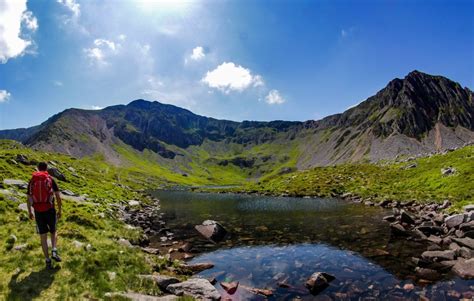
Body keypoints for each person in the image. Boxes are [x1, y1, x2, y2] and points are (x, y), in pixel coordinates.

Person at [26, 162, 63, 268]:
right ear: (46, 168)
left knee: (43, 236)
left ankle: (47, 260)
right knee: (54, 231)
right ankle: (54, 250)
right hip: (50, 209)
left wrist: (30, 211)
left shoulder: (32, 181)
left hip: (38, 211)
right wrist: (59, 210)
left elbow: (28, 198)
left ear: (37, 168)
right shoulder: (50, 179)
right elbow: (58, 196)